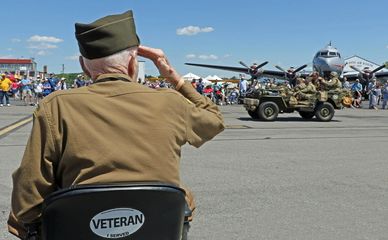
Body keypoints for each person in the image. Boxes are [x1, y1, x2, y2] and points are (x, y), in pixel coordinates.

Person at [8, 10, 225, 239]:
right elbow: (214, 120)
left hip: (78, 230)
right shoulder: (170, 102)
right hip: (156, 230)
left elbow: (28, 199)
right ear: (133, 63)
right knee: (184, 196)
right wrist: (173, 76)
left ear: (84, 66)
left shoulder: (56, 106)